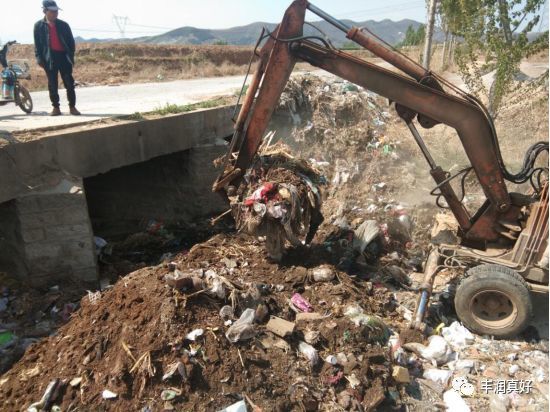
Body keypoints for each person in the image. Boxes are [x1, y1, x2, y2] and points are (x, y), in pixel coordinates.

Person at [34, 0, 80, 116]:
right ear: (45, 11)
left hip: (64, 57)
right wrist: (39, 59)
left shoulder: (64, 25)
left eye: (56, 11)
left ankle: (72, 107)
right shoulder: (38, 26)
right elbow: (37, 45)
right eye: (52, 11)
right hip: (49, 58)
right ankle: (56, 108)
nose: (55, 14)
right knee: (52, 84)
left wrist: (71, 56)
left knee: (69, 83)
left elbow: (71, 42)